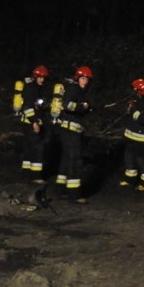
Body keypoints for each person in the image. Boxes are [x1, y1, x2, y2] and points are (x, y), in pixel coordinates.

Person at [54, 65, 94, 203]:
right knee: (75, 160)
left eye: (87, 79)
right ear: (77, 78)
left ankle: (60, 190)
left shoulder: (78, 91)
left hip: (69, 130)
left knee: (66, 160)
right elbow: (67, 105)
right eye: (83, 78)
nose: (85, 82)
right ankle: (74, 194)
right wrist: (81, 107)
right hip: (70, 130)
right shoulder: (74, 89)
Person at [120, 78, 144, 192]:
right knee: (129, 157)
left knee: (143, 160)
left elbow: (142, 119)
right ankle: (130, 180)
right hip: (132, 136)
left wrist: (133, 110)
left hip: (142, 138)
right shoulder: (141, 99)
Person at [18, 65, 53, 183]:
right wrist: (34, 122)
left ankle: (26, 175)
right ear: (35, 76)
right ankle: (36, 176)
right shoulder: (31, 88)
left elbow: (37, 104)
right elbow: (28, 106)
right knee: (38, 147)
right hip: (31, 122)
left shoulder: (35, 88)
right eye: (40, 77)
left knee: (29, 148)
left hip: (28, 122)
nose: (42, 80)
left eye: (43, 78)